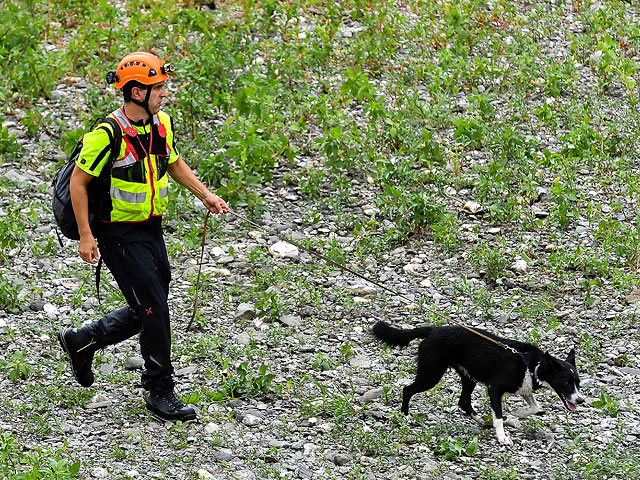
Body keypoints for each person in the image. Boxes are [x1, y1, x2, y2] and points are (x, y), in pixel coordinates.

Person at [57, 51, 229, 422]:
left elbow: (173, 161)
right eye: (158, 87)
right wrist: (87, 236)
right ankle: (159, 391)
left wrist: (206, 195)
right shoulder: (107, 134)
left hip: (150, 228)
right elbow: (79, 182)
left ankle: (84, 339)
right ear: (136, 93)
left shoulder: (160, 123)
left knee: (150, 304)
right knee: (154, 309)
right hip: (117, 234)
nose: (164, 93)